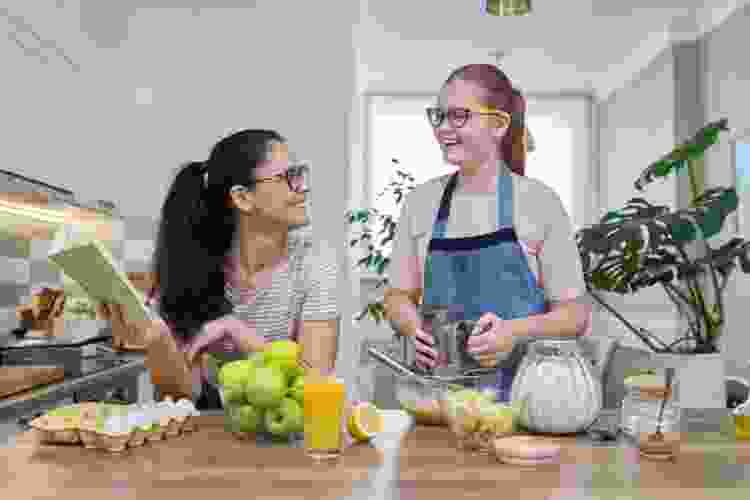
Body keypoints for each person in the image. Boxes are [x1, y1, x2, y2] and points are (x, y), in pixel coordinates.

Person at [384, 64, 592, 401]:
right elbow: (397, 297)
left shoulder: (539, 202)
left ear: (498, 124)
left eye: (458, 116)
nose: (442, 128)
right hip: (439, 402)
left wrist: (512, 332)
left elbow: (575, 315)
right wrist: (413, 327)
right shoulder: (420, 203)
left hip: (526, 402)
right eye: (438, 116)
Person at [141, 129, 340, 409]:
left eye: (300, 175)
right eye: (288, 178)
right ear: (243, 198)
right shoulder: (191, 263)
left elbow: (316, 381)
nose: (302, 188)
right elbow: (180, 393)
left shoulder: (314, 263)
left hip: (288, 433)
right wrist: (157, 341)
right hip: (207, 432)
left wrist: (238, 332)